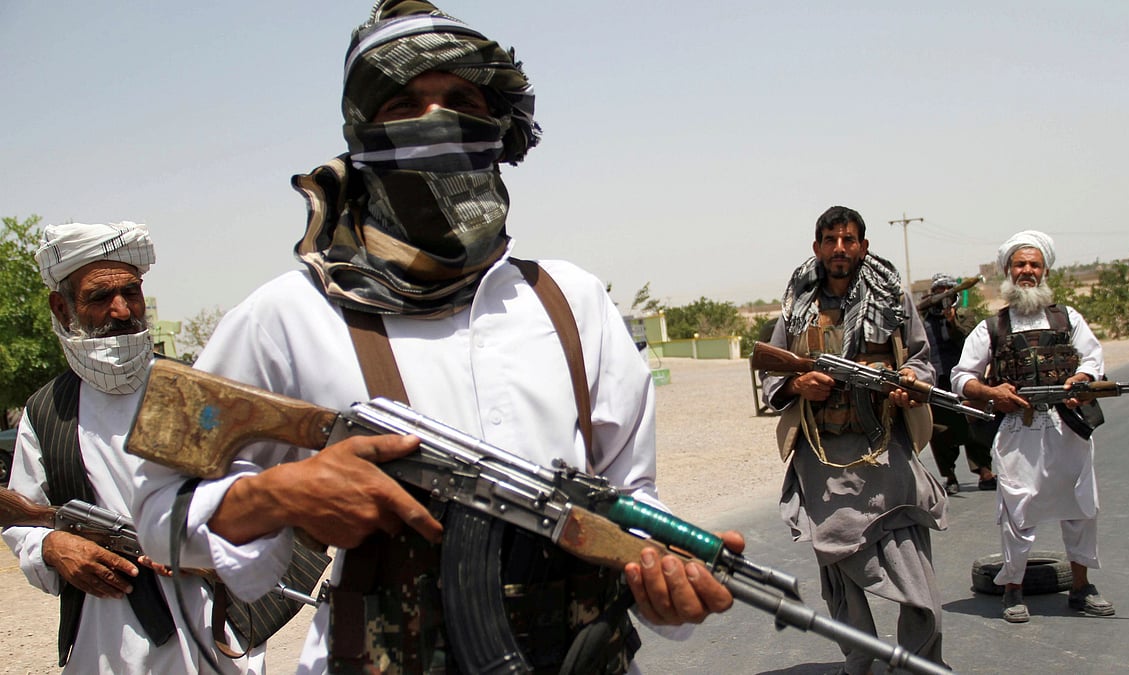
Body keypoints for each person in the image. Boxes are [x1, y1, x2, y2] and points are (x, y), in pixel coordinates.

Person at [132, 2, 740, 673]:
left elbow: (627, 494)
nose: (437, 122)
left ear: (496, 125)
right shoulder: (288, 315)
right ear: (363, 128)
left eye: (461, 102)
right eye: (404, 104)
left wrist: (663, 581)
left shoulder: (572, 302)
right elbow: (158, 512)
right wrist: (278, 495)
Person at [2, 222, 261, 673]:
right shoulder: (45, 411)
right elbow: (23, 519)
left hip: (212, 625)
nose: (121, 310)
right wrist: (54, 546)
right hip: (104, 636)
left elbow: (258, 493)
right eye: (100, 296)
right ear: (62, 307)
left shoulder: (195, 390)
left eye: (131, 292)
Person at [760, 205, 948, 674]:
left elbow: (922, 359)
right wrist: (799, 384)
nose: (839, 249)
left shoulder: (892, 298)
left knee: (913, 572)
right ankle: (858, 662)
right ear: (817, 247)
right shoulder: (798, 305)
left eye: (848, 240)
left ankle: (920, 663)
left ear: (863, 246)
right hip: (823, 461)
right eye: (830, 240)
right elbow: (772, 373)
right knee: (840, 574)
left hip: (886, 456)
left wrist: (908, 381)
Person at [951, 230, 1114, 624]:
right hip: (1018, 429)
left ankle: (1081, 587)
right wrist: (991, 392)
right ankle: (1013, 589)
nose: (1027, 270)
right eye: (1020, 264)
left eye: (1034, 264)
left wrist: (1081, 380)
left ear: (1045, 271)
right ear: (1009, 271)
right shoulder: (992, 327)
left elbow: (1093, 360)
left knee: (1081, 507)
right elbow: (961, 378)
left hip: (1066, 425)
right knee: (1017, 509)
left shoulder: (1067, 318)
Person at [921, 272, 997, 494]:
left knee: (975, 424)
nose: (944, 295)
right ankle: (950, 476)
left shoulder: (966, 315)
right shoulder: (923, 320)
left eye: (948, 291)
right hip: (937, 381)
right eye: (939, 291)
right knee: (940, 431)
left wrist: (952, 321)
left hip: (965, 381)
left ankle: (985, 472)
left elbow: (969, 341)